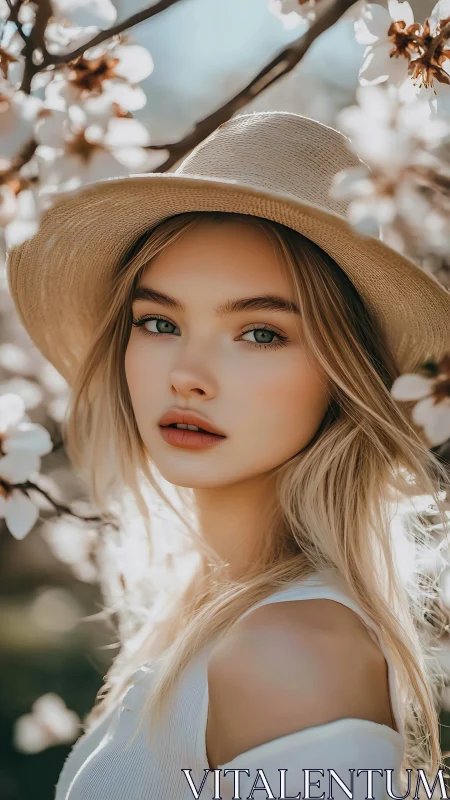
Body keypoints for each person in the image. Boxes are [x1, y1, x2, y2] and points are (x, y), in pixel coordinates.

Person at [6, 111, 450, 800]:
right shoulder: (211, 620)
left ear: (345, 374)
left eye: (260, 334)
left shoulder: (290, 651)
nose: (188, 374)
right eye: (159, 322)